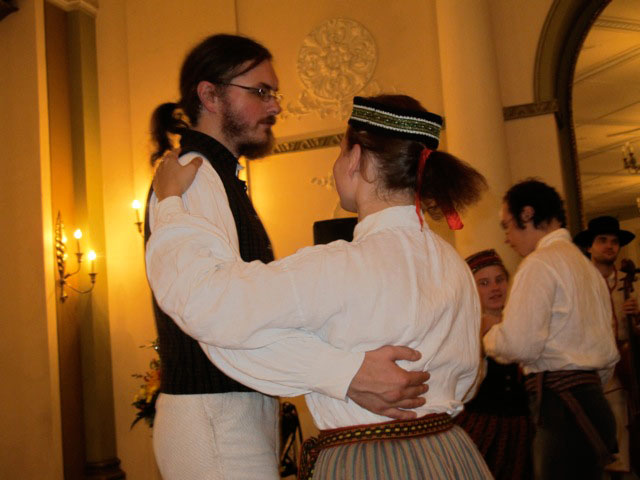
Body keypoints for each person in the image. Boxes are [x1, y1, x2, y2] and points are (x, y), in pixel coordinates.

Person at [147, 94, 493, 479]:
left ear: (356, 159)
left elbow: (208, 303)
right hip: (450, 455)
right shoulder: (454, 266)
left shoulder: (337, 265)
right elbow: (469, 380)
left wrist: (171, 204)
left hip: (368, 463)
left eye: (340, 151)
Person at [482, 179, 620, 479]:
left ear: (527, 214)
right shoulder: (588, 269)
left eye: (507, 226)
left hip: (562, 408)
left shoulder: (539, 264)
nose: (507, 237)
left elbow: (519, 344)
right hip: (593, 403)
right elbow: (607, 354)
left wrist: (489, 334)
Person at [455, 249, 533, 479]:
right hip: (482, 424)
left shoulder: (525, 324)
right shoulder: (466, 328)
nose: (495, 288)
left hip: (524, 426)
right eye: (484, 283)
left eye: (500, 280)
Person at [574, 215, 639, 477]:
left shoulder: (631, 283)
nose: (610, 246)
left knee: (622, 428)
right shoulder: (579, 283)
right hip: (590, 367)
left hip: (624, 368)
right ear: (590, 246)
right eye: (602, 240)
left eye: (614, 241)